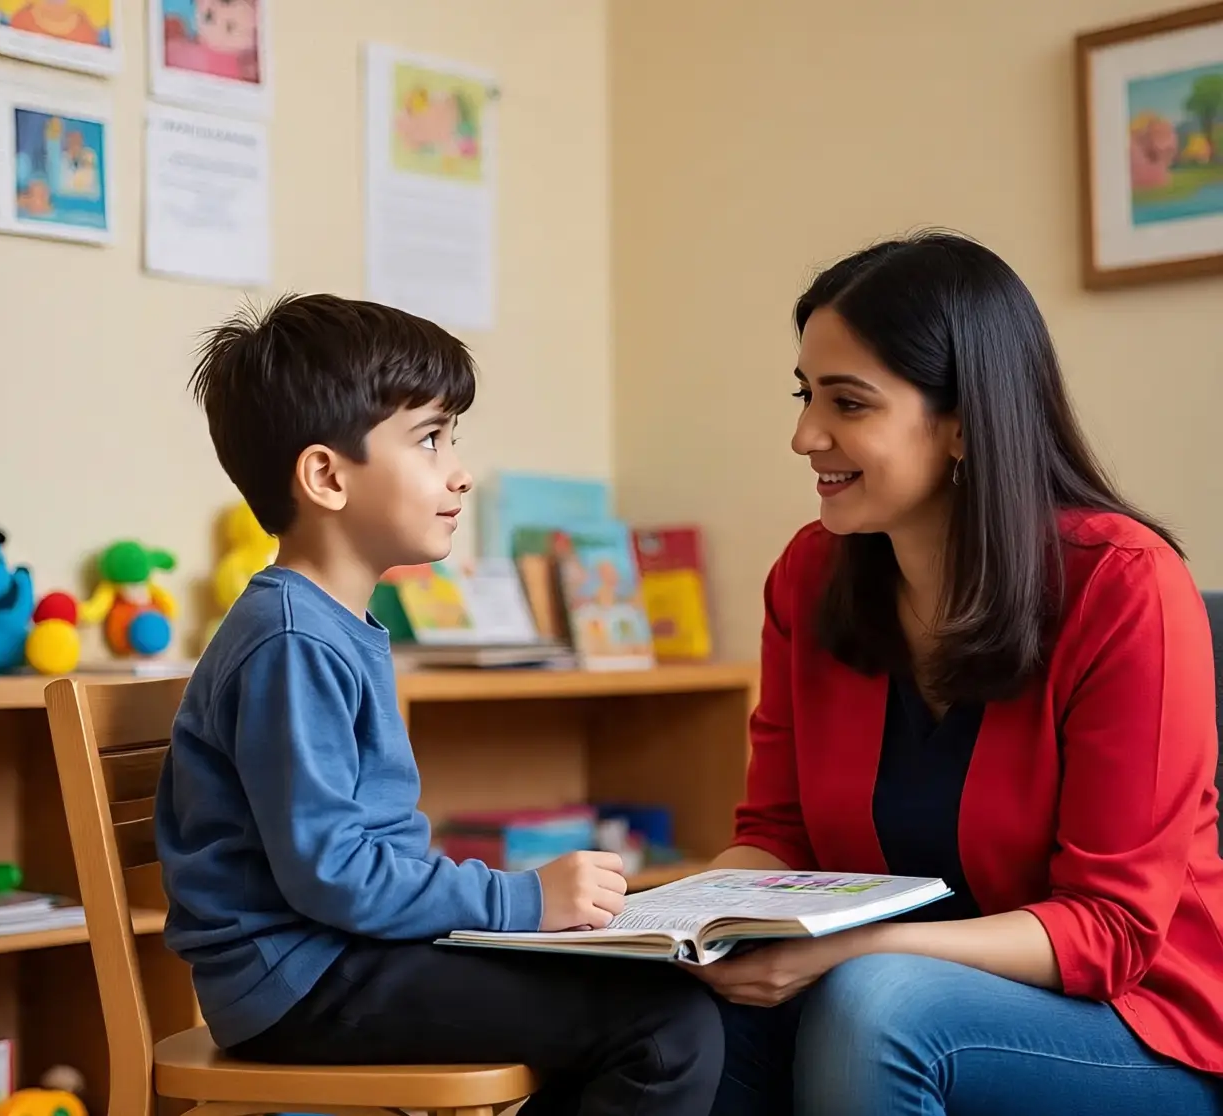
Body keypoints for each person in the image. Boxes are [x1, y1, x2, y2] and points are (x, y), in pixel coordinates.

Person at [690, 232, 1223, 1116]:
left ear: (966, 421)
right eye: (805, 395)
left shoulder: (1122, 584)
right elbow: (780, 837)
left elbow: (1112, 931)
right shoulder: (809, 577)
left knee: (879, 1008)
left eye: (848, 403)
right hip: (885, 996)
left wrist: (853, 955)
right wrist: (681, 927)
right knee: (671, 1015)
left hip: (1137, 1026)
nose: (803, 435)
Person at [153, 293, 723, 1116]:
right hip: (304, 979)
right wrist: (523, 901)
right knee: (664, 1027)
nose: (458, 470)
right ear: (326, 476)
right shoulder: (292, 641)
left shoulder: (327, 624)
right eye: (429, 439)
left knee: (650, 996)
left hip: (338, 956)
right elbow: (334, 874)